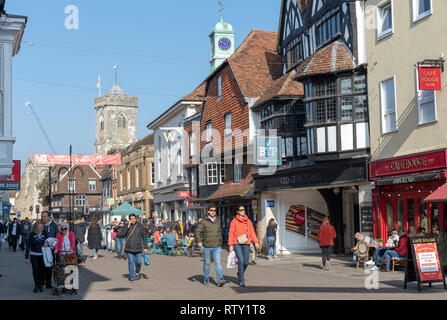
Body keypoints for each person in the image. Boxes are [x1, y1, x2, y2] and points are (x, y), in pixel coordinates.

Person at [228, 205, 259, 287]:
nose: (243, 211)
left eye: (244, 210)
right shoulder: (234, 221)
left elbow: (252, 232)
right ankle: (241, 280)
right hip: (236, 243)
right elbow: (231, 233)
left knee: (246, 262)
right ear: (237, 212)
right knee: (241, 261)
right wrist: (230, 244)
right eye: (241, 210)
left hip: (246, 243)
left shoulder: (248, 221)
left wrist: (256, 242)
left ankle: (239, 273)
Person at [194, 205, 226, 287]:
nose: (213, 212)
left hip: (217, 246)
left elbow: (219, 231)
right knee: (207, 263)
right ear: (208, 211)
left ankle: (220, 280)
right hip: (207, 246)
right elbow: (197, 231)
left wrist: (220, 241)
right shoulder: (203, 221)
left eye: (215, 210)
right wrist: (199, 241)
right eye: (211, 210)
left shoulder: (218, 220)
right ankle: (206, 278)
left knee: (218, 263)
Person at [117, 214, 148, 281]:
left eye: (134, 218)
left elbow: (144, 237)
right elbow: (121, 235)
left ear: (136, 219)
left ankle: (137, 273)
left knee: (139, 262)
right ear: (129, 219)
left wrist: (146, 247)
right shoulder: (126, 226)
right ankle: (131, 276)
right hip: (129, 247)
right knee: (131, 262)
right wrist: (127, 227)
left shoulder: (140, 226)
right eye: (131, 219)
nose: (133, 220)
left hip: (138, 247)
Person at [25, 222, 46, 293]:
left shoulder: (44, 233)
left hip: (42, 255)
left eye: (42, 227)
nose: (42, 229)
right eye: (40, 228)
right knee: (35, 269)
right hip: (34, 255)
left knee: (42, 270)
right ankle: (36, 285)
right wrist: (26, 257)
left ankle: (41, 284)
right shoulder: (31, 234)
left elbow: (49, 241)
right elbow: (28, 246)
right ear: (36, 228)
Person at [41, 211, 59, 288]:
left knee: (49, 266)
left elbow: (58, 238)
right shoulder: (39, 225)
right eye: (42, 216)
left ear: (48, 217)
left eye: (44, 216)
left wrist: (56, 248)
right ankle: (42, 281)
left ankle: (48, 282)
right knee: (41, 266)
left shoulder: (54, 226)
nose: (43, 218)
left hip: (50, 250)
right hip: (41, 250)